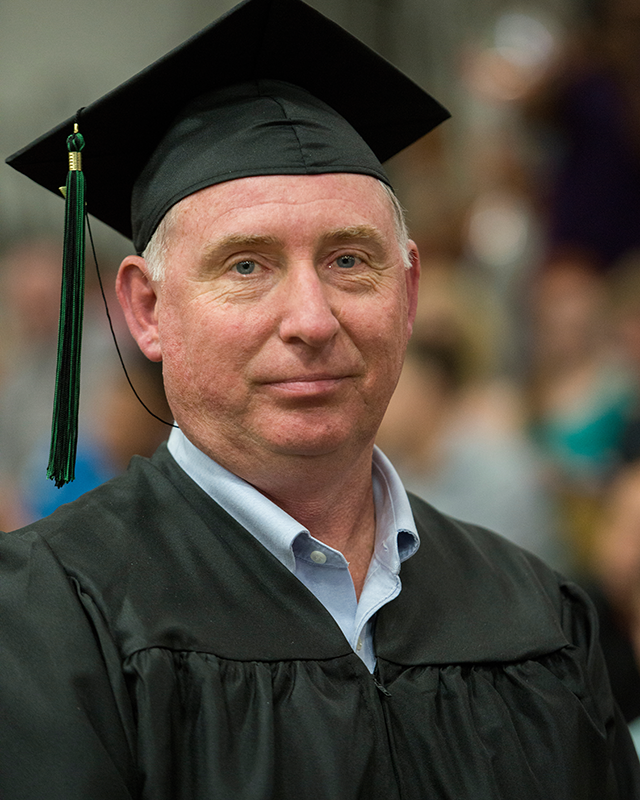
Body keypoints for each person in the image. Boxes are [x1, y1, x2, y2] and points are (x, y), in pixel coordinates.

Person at [1, 0, 638, 797]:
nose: (310, 320)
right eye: (246, 266)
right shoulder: (48, 619)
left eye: (347, 260)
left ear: (408, 292)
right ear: (147, 311)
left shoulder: (536, 614)